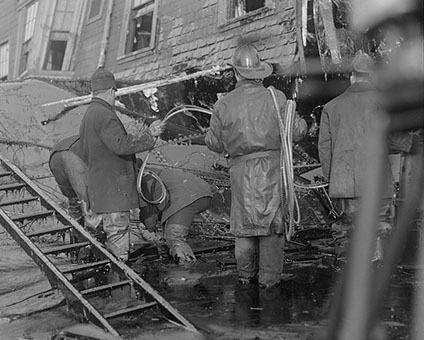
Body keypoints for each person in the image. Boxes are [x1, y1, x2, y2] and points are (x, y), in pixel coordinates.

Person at [205, 42, 307, 289]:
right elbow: (297, 132)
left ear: (236, 72)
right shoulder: (276, 97)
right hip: (273, 172)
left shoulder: (223, 104)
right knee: (272, 230)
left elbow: (213, 142)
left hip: (240, 173)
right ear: (259, 71)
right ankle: (269, 284)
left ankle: (244, 279)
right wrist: (303, 122)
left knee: (245, 229)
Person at [79, 67, 165, 261]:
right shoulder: (104, 114)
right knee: (118, 244)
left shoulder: (89, 115)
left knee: (101, 241)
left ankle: (103, 278)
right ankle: (120, 281)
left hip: (98, 189)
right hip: (113, 192)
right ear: (111, 91)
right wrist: (149, 136)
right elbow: (120, 144)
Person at [318, 51, 394, 262]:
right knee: (379, 224)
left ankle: (345, 270)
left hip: (344, 179)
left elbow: (325, 149)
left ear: (351, 76)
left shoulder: (331, 107)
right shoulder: (385, 102)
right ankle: (376, 268)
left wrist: (331, 178)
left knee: (347, 225)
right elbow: (395, 140)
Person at [138, 164, 213, 264]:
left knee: (175, 239)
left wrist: (147, 226)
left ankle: (184, 273)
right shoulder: (153, 173)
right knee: (171, 227)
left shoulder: (142, 181)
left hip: (186, 197)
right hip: (204, 194)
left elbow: (150, 222)